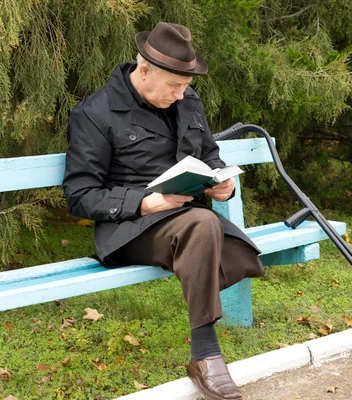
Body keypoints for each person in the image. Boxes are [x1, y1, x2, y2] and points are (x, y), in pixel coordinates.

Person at [62, 22, 264, 400]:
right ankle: (205, 356)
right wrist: (144, 201)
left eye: (185, 85)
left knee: (205, 226)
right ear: (144, 70)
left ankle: (203, 345)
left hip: (186, 222)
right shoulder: (95, 113)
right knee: (204, 226)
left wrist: (223, 184)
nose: (181, 93)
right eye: (174, 85)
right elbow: (80, 194)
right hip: (130, 229)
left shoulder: (187, 100)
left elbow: (209, 155)